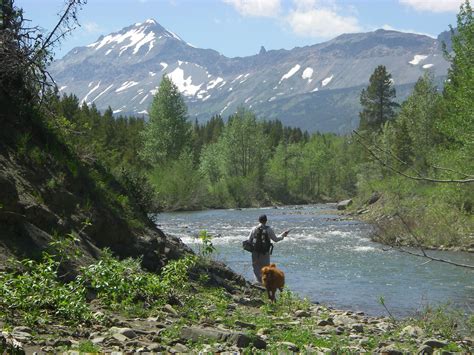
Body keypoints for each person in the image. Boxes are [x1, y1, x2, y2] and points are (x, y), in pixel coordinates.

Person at [248, 214, 288, 283]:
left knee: (256, 269)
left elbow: (249, 240)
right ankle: (265, 284)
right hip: (265, 252)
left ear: (259, 220)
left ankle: (257, 283)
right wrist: (283, 235)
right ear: (266, 221)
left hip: (255, 252)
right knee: (266, 269)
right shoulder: (268, 229)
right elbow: (276, 239)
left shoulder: (253, 229)